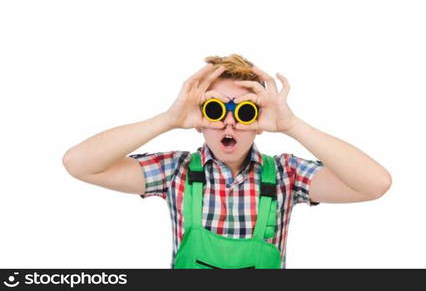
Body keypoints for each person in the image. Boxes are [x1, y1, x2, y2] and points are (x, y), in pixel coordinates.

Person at [63, 54, 392, 268]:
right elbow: (79, 163)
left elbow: (375, 184)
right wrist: (168, 118)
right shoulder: (175, 171)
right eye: (215, 110)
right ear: (200, 119)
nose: (229, 123)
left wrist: (292, 125)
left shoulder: (286, 175)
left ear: (260, 122)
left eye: (246, 112)